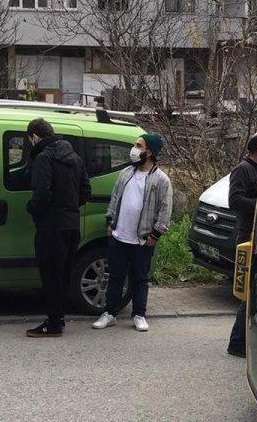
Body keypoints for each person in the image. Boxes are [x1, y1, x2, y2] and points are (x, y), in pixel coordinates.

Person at [92, 132, 172, 333]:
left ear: (150, 152)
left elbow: (165, 209)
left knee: (140, 277)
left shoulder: (161, 180)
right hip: (119, 235)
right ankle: (109, 313)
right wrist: (110, 221)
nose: (134, 149)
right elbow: (115, 196)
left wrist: (155, 234)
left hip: (142, 239)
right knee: (116, 276)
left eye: (139, 145)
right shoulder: (127, 173)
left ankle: (139, 314)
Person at [24, 118, 90, 338]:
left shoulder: (43, 158)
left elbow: (41, 194)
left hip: (51, 227)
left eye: (29, 140)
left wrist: (32, 208)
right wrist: (69, 208)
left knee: (50, 274)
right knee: (63, 275)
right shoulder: (75, 158)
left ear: (34, 137)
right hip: (72, 225)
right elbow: (85, 191)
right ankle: (59, 317)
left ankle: (53, 324)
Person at [226, 131, 257, 359]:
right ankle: (237, 343)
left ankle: (249, 341)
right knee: (248, 291)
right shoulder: (243, 170)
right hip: (247, 236)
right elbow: (234, 201)